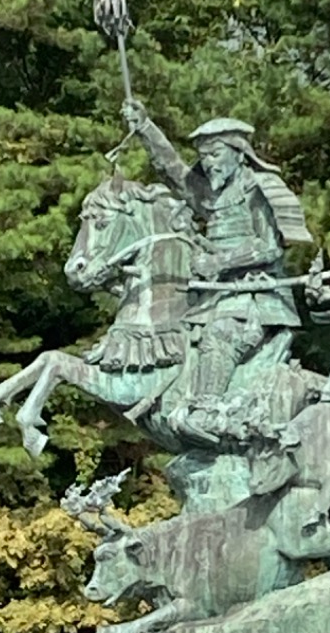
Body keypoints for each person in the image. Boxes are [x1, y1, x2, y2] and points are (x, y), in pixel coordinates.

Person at [121, 100, 312, 440]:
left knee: (220, 334)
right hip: (214, 296)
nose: (207, 164)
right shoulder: (209, 193)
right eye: (204, 156)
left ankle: (207, 410)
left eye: (214, 154)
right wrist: (145, 127)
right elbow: (171, 168)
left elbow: (269, 246)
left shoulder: (259, 188)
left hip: (257, 296)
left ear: (239, 152)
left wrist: (218, 261)